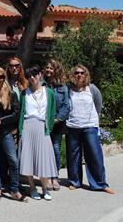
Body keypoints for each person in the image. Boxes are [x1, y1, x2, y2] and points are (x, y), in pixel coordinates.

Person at [65, 65, 115, 194]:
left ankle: (100, 184)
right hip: (72, 126)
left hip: (90, 127)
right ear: (73, 75)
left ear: (86, 74)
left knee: (94, 155)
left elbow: (98, 105)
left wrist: (93, 121)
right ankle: (75, 182)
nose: (79, 75)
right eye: (76, 73)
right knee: (73, 156)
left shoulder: (92, 89)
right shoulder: (68, 89)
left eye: (82, 73)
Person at [0, 67, 25, 202]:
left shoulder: (11, 94)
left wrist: (2, 121)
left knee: (13, 161)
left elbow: (16, 114)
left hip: (5, 132)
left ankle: (14, 189)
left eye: (1, 77)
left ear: (4, 78)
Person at [18, 65, 58, 201]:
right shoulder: (25, 93)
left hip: (42, 127)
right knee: (28, 159)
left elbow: (52, 112)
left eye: (35, 75)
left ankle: (45, 188)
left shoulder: (49, 93)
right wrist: (21, 130)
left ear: (40, 75)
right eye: (29, 76)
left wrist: (49, 128)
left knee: (43, 160)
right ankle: (32, 187)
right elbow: (21, 112)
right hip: (28, 127)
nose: (32, 78)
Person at [44, 59, 70, 190]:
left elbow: (66, 106)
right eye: (47, 68)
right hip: (43, 123)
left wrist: (57, 119)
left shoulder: (63, 88)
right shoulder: (41, 85)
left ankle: (55, 176)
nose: (48, 70)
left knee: (55, 149)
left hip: (57, 124)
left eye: (51, 68)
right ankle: (47, 177)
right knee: (44, 151)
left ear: (56, 70)